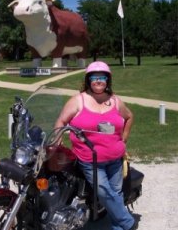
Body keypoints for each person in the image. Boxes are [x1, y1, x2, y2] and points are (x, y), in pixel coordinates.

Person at [54, 61, 136, 230]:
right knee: (104, 193)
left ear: (108, 80)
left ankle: (118, 227)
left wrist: (124, 139)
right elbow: (61, 121)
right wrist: (57, 138)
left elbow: (129, 117)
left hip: (115, 158)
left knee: (116, 193)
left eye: (102, 77)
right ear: (88, 80)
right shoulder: (78, 101)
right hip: (90, 159)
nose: (98, 81)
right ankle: (128, 223)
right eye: (94, 77)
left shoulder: (115, 101)